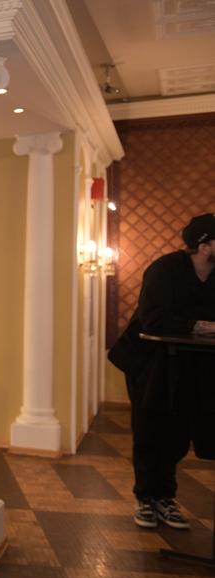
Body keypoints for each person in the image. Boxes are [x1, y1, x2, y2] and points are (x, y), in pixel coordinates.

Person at [109, 213, 215, 530]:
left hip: (190, 365)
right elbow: (153, 318)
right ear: (204, 246)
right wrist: (201, 325)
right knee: (149, 430)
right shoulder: (164, 270)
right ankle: (145, 498)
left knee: (179, 434)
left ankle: (165, 498)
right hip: (150, 364)